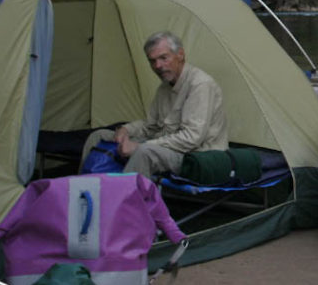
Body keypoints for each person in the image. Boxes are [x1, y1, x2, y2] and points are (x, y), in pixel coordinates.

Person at [80, 31, 229, 178]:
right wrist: (126, 129)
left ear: (180, 55)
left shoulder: (200, 84)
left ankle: (124, 200)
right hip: (168, 147)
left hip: (197, 156)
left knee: (144, 152)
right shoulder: (165, 86)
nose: (158, 65)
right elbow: (151, 126)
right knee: (99, 136)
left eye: (164, 58)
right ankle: (80, 190)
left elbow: (191, 138)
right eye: (152, 61)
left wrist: (140, 146)